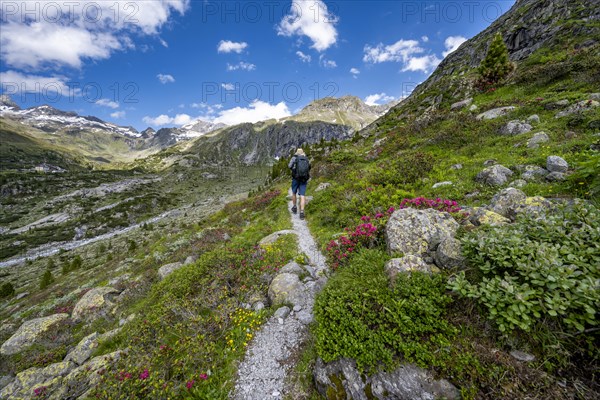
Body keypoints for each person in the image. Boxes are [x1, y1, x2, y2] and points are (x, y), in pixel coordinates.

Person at [289, 148, 311, 219]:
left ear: (297, 153)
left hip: (295, 178)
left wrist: (294, 169)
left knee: (294, 193)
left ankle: (295, 207)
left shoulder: (294, 158)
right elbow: (309, 167)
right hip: (304, 179)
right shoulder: (306, 159)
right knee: (302, 195)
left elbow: (289, 166)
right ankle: (302, 212)